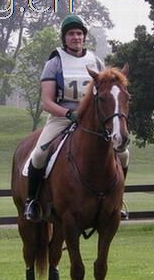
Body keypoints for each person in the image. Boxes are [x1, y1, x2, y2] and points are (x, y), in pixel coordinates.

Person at [23, 14, 130, 221]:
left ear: (84, 37)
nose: (76, 37)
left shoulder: (96, 61)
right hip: (62, 117)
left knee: (124, 154)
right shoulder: (55, 63)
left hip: (93, 120)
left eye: (79, 33)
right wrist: (68, 113)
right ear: (65, 38)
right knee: (38, 155)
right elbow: (47, 101)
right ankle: (33, 202)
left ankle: (117, 200)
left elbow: (107, 93)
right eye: (71, 34)